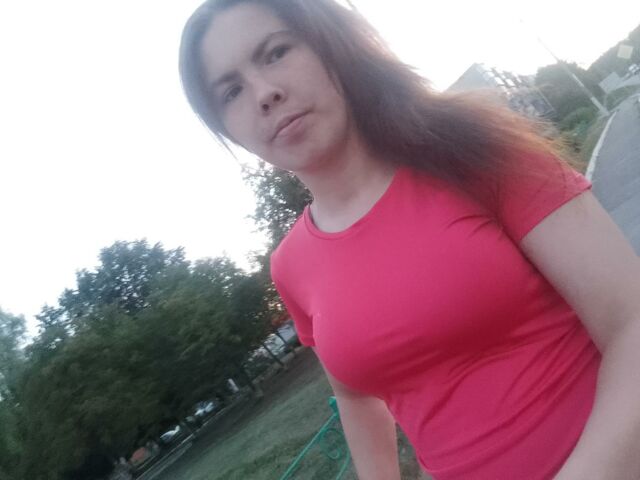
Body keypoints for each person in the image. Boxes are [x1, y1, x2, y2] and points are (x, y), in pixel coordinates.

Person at [178, 1, 640, 478]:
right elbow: (355, 398)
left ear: (331, 46)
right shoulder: (290, 267)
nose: (263, 93)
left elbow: (632, 322)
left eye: (276, 53)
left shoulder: (472, 151)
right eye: (230, 91)